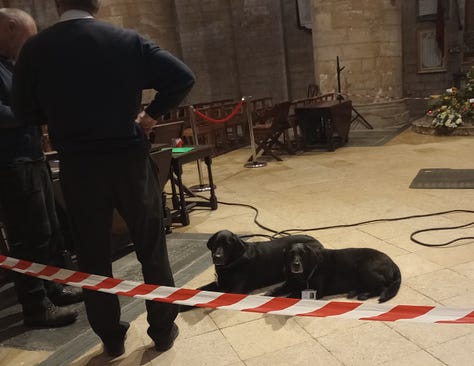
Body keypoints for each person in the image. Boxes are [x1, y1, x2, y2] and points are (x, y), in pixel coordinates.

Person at [12, 0, 196, 357]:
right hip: (127, 157)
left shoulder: (36, 48)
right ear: (95, 4)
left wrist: (54, 118)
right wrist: (150, 116)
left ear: (57, 4)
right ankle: (161, 328)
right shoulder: (126, 39)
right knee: (151, 246)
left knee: (93, 255)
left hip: (78, 164)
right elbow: (182, 77)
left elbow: (22, 110)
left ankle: (111, 337)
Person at [0, 8, 82, 328]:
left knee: (50, 231)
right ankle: (36, 307)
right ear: (8, 27)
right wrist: (33, 112)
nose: (30, 45)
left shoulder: (11, 65)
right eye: (28, 38)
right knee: (28, 238)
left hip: (31, 157)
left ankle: (53, 286)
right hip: (10, 164)